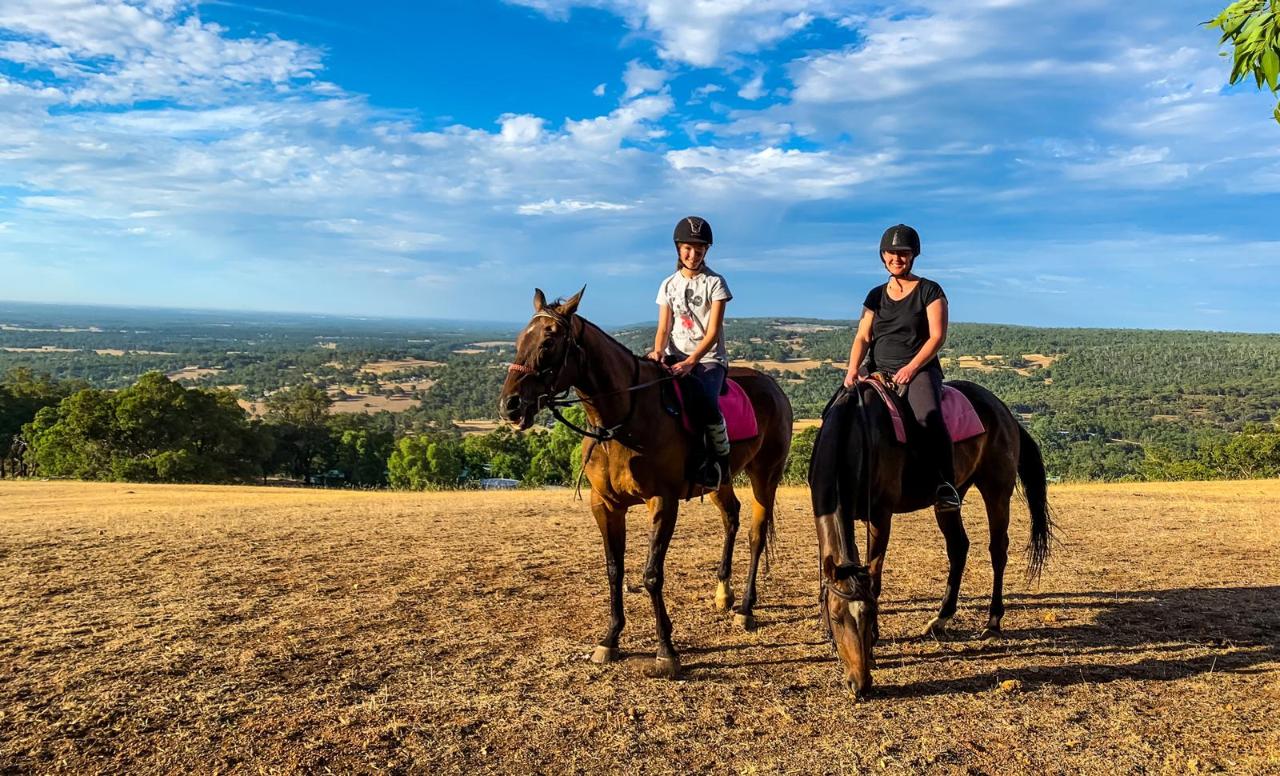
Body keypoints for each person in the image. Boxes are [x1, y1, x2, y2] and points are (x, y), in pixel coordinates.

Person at [843, 224, 961, 510]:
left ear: (913, 255)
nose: (897, 258)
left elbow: (937, 337)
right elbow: (863, 337)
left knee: (927, 417)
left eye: (903, 253)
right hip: (877, 370)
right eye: (891, 253)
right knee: (838, 410)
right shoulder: (875, 296)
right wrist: (852, 369)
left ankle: (945, 486)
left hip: (919, 370)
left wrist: (911, 368)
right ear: (883, 256)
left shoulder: (929, 290)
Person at [647, 216, 733, 487]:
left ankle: (720, 460)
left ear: (706, 251)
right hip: (674, 355)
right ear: (678, 248)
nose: (693, 255)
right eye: (688, 249)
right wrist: (657, 351)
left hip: (708, 359)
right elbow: (664, 327)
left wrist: (691, 361)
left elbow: (712, 332)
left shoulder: (715, 283)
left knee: (706, 401)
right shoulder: (668, 285)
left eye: (699, 250)